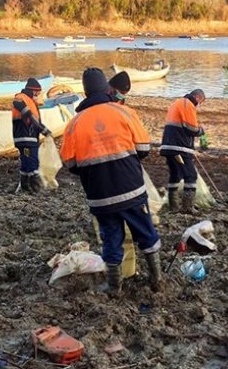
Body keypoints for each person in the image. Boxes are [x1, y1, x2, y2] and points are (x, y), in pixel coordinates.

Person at [59, 68, 162, 296]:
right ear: (107, 89)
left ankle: (114, 287)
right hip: (132, 190)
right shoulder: (124, 112)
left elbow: (71, 164)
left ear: (86, 92)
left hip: (100, 197)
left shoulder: (74, 124)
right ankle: (157, 280)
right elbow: (143, 149)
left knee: (111, 238)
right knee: (146, 233)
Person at [160, 89, 206, 214]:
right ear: (197, 97)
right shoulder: (188, 104)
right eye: (201, 101)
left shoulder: (177, 103)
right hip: (179, 147)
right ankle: (187, 207)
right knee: (191, 175)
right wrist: (201, 130)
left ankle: (173, 205)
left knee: (176, 174)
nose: (199, 104)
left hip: (168, 146)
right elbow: (191, 128)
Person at [12, 78, 51, 193]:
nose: (38, 96)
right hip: (26, 139)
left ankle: (24, 185)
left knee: (26, 160)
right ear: (33, 91)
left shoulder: (29, 101)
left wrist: (43, 129)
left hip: (26, 140)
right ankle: (35, 187)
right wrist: (42, 129)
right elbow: (27, 113)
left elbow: (34, 120)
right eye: (37, 93)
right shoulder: (21, 98)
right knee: (32, 160)